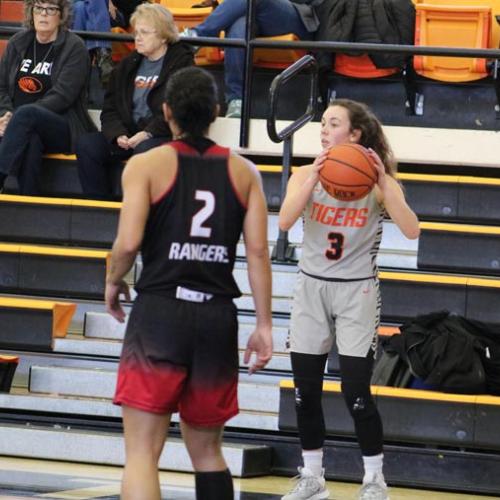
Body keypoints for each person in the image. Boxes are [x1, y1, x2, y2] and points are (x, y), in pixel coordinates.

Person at [105, 66, 273, 500]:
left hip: (161, 312)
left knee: (142, 453)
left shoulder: (144, 165)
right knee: (208, 452)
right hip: (216, 316)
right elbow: (257, 253)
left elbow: (127, 243)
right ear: (216, 111)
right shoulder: (245, 172)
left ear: (166, 110)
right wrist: (266, 324)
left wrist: (113, 280)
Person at [279, 99, 420, 500]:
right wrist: (312, 180)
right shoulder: (304, 175)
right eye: (322, 123)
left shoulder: (377, 183)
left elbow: (411, 230)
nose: (324, 129)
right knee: (304, 392)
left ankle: (374, 479)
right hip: (311, 287)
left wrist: (381, 182)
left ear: (355, 134)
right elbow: (286, 221)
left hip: (357, 290)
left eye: (333, 123)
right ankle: (312, 477)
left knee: (356, 394)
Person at [76, 2, 193, 200]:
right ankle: (98, 208)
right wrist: (117, 134)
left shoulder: (182, 62)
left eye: (145, 32)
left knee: (144, 150)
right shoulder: (127, 64)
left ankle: (139, 210)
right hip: (129, 135)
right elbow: (110, 109)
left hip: (163, 136)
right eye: (136, 32)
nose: (137, 38)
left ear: (163, 35)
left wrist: (147, 133)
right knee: (87, 145)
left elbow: (179, 109)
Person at [0, 0, 96, 195]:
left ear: (61, 15)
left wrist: (17, 117)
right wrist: (6, 113)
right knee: (31, 139)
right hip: (20, 124)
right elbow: (1, 86)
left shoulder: (74, 47)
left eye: (51, 9)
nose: (43, 14)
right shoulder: (18, 42)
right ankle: (29, 205)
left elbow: (62, 96)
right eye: (39, 8)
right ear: (31, 12)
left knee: (27, 116)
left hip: (63, 124)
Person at [181, 0, 322, 118]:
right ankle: (237, 100)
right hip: (258, 13)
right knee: (240, 24)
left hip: (301, 15)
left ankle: (197, 36)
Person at [72, 0, 115, 86]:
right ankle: (103, 54)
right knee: (80, 7)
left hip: (106, 13)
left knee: (81, 7)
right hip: (73, 9)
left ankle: (78, 62)